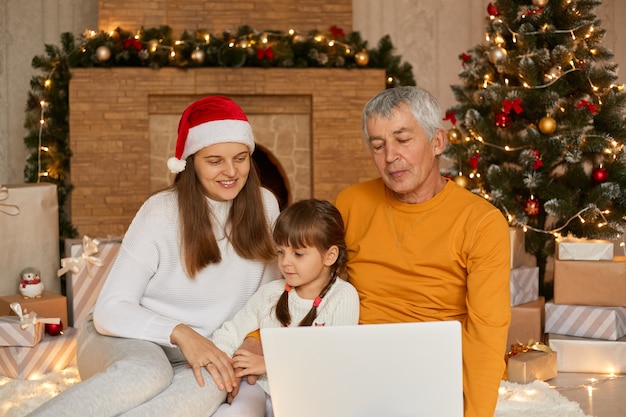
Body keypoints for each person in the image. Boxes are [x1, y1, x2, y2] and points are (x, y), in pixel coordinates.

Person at [28, 96, 281, 417]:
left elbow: (271, 298)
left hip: (209, 352)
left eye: (241, 158)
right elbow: (109, 312)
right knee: (149, 374)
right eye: (215, 160)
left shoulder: (266, 206)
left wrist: (253, 344)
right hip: (122, 338)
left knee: (207, 391)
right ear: (190, 162)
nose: (231, 171)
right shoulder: (161, 213)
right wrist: (180, 332)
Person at [333, 86, 511, 417]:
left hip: (434, 374)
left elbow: (487, 331)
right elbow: (303, 276)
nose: (389, 157)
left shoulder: (482, 222)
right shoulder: (350, 203)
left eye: (403, 140)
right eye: (378, 145)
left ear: (437, 142)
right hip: (358, 365)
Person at [210, 198, 360, 415]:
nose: (285, 262)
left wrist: (268, 365)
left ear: (330, 255)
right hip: (260, 387)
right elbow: (232, 331)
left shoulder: (343, 297)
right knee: (234, 412)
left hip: (309, 394)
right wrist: (219, 361)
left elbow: (332, 361)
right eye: (281, 252)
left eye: (298, 254)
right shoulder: (272, 293)